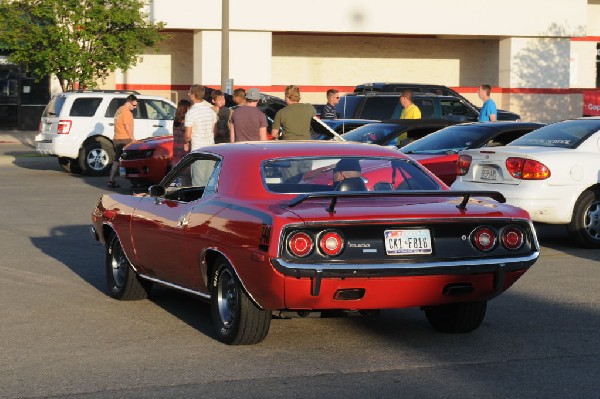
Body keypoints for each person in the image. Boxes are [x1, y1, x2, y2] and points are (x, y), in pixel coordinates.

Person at [184, 85, 217, 185]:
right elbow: (214, 130)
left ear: (193, 95)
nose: (188, 94)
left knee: (198, 183)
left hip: (198, 149)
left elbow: (188, 134)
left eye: (189, 93)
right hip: (211, 149)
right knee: (210, 182)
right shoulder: (211, 111)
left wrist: (186, 142)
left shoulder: (191, 113)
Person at [108, 94, 138, 188]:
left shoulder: (119, 110)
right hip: (125, 139)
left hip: (117, 137)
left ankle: (111, 180)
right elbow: (127, 126)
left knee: (117, 160)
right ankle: (135, 181)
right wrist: (132, 138)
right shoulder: (126, 112)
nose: (135, 107)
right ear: (129, 102)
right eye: (134, 105)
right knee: (131, 160)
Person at [171, 99, 191, 167]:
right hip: (184, 148)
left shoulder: (176, 120)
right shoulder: (186, 121)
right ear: (186, 108)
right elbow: (188, 135)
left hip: (176, 147)